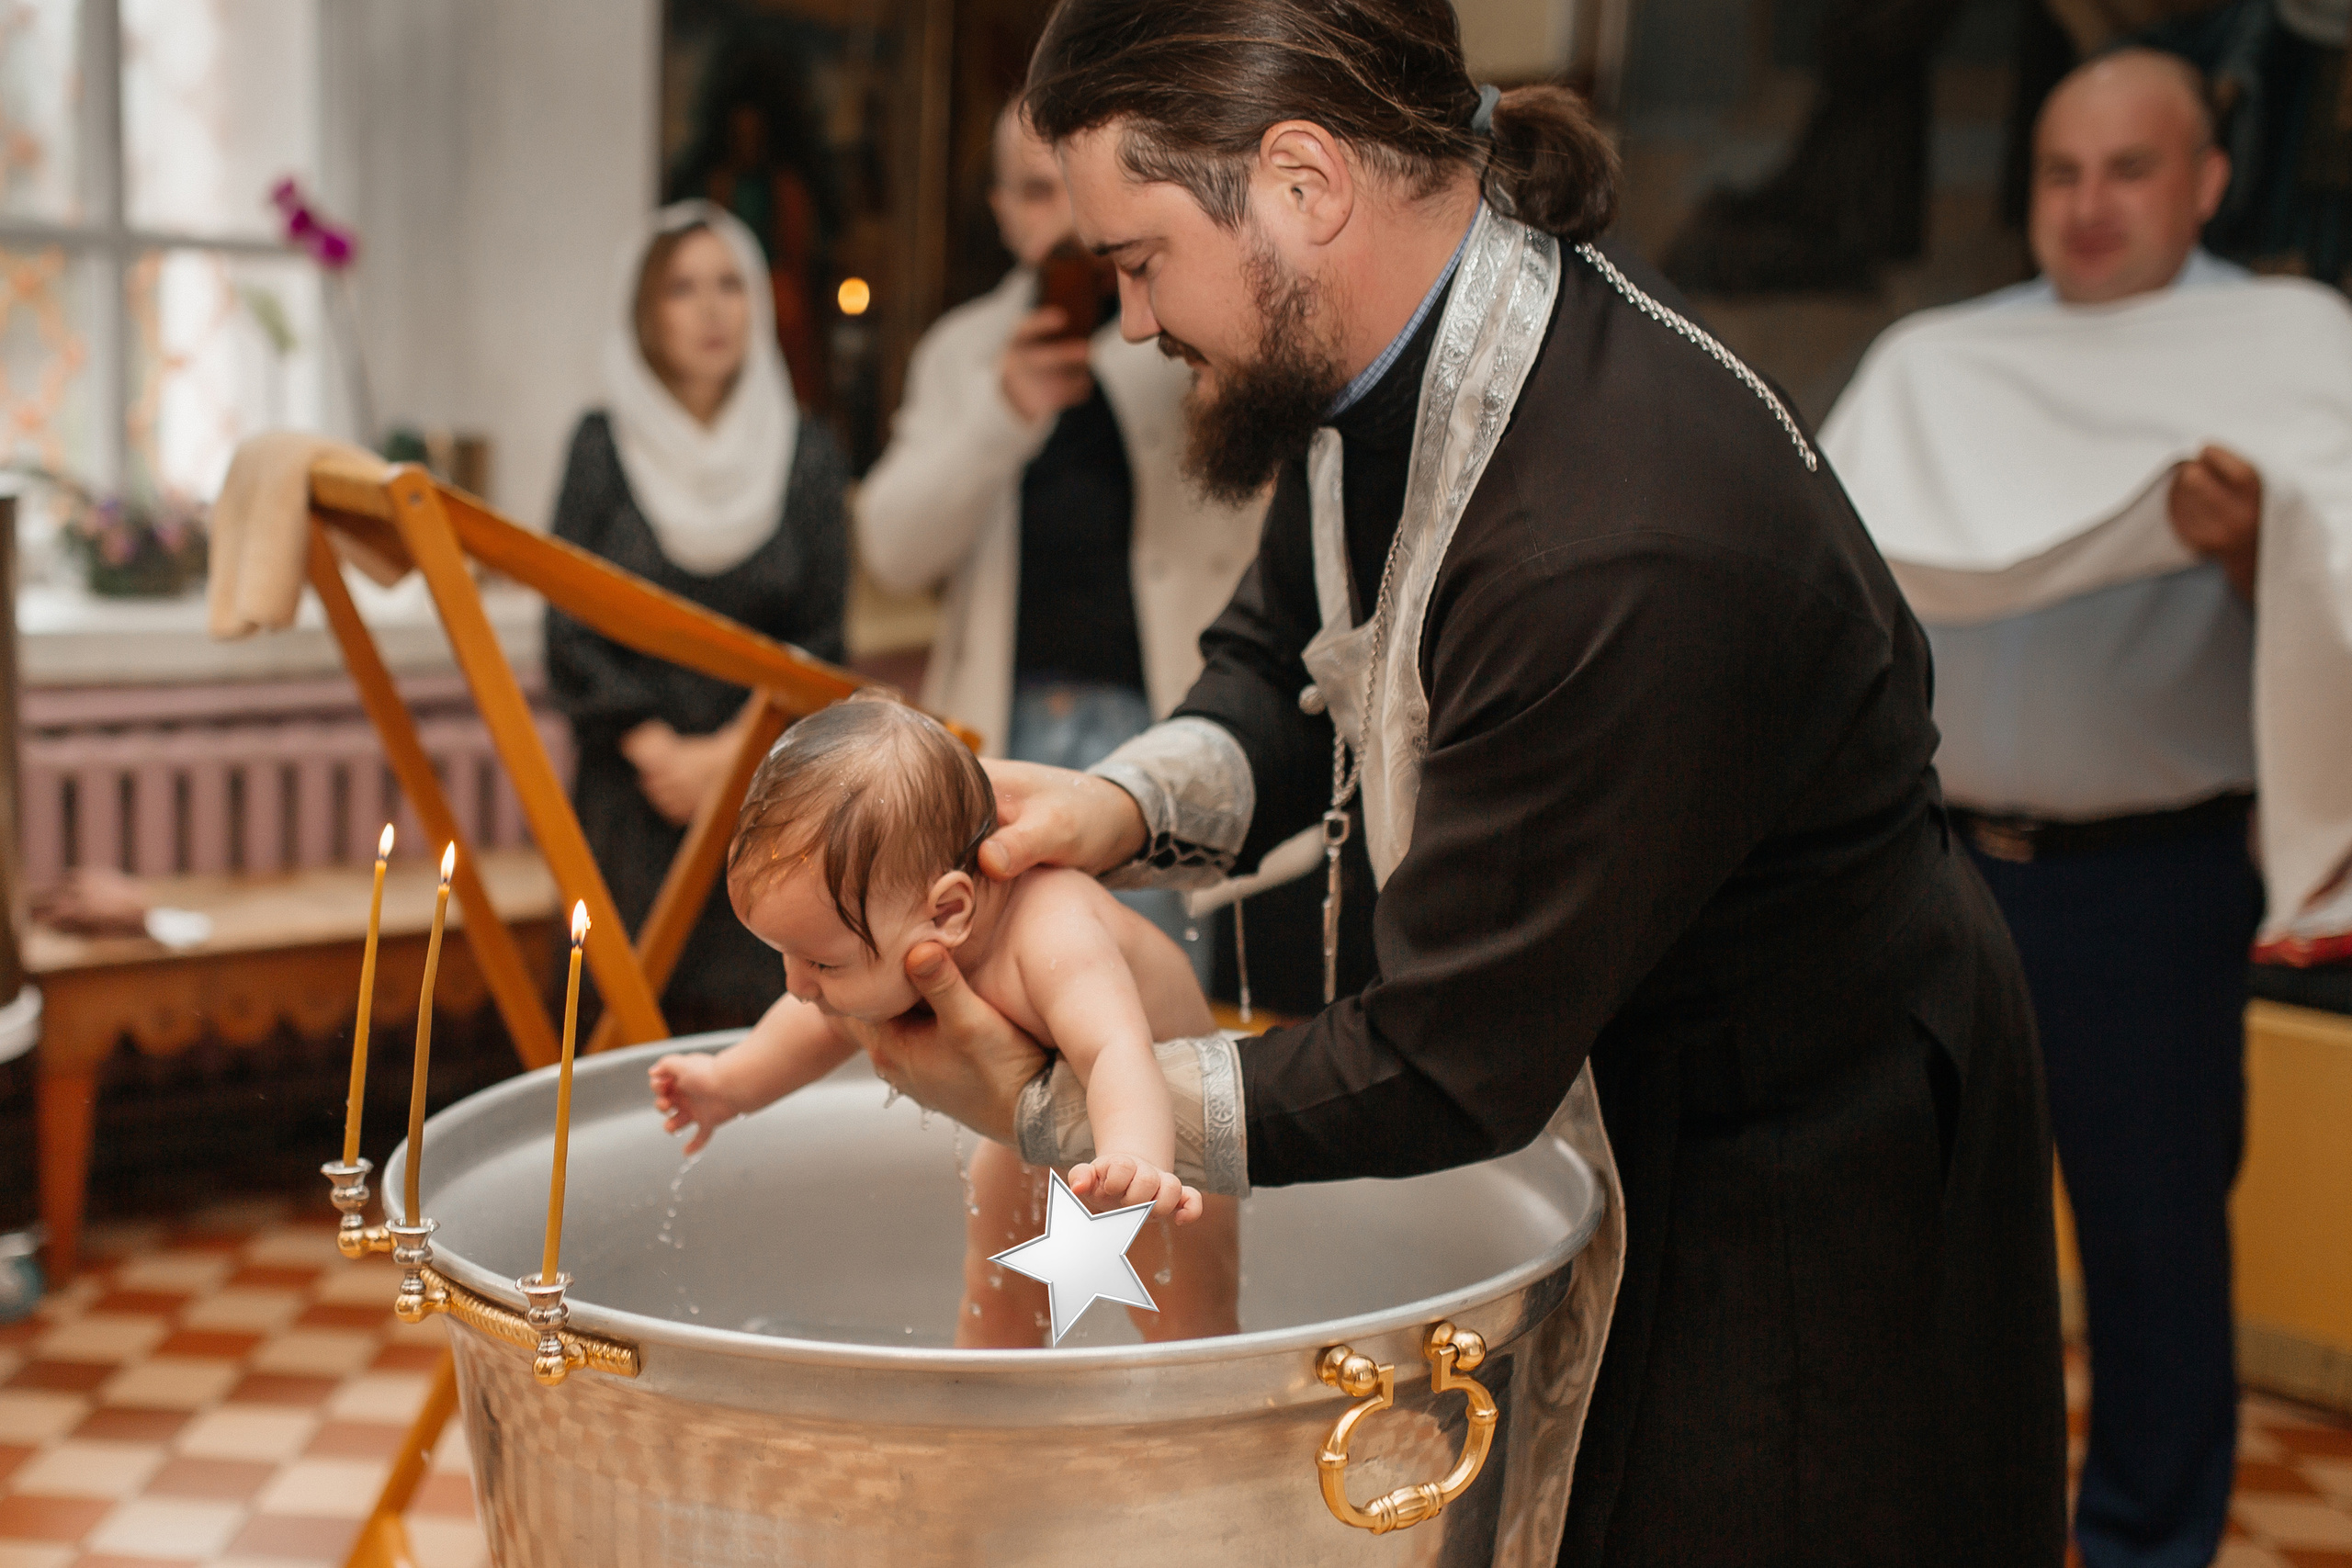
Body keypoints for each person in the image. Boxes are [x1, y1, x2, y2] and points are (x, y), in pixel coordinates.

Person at [818, 2, 2071, 1562]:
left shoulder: (1617, 544)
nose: (1133, 320)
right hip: (1625, 1065)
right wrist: (1115, 808)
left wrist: (1058, 1106)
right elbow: (1288, 660)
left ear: (1301, 181)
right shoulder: (1376, 355)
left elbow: (1439, 1061)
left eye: (1138, 259)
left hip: (1787, 1166)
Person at [1821, 50, 2352, 1568]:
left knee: (2153, 1251)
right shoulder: (1939, 361)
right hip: (1934, 875)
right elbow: (1830, 579)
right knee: (1907, 1241)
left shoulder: (2292, 345)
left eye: (2130, 169)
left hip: (2152, 885)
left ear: (2208, 183)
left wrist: (2263, 549)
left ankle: (2144, 1545)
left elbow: (2341, 613)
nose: (2091, 203)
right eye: (2061, 172)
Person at [645, 691, 1238, 1347]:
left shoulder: (1052, 935)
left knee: (1188, 1326)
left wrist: (1135, 1155)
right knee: (994, 1298)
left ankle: (1203, 1427)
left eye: (821, 962)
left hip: (1171, 1139)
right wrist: (727, 1085)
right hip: (1027, 1131)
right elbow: (817, 1020)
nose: (795, 981)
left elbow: (1114, 1052)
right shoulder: (894, 930)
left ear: (949, 911)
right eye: (785, 954)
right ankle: (987, 1412)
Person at [854, 101, 1266, 986]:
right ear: (1002, 208)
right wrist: (1002, 414)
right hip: (1006, 727)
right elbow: (890, 549)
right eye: (1041, 191)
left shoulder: (1189, 328)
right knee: (1007, 994)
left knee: (1149, 1001)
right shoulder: (962, 352)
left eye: (1086, 187)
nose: (1070, 218)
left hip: (1165, 721)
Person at [547, 201, 848, 1035]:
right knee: (613, 1036)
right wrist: (662, 752)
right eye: (683, 288)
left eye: (730, 284)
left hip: (769, 802)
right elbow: (569, 630)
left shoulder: (809, 450)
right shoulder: (600, 447)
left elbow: (823, 641)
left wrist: (727, 758)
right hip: (630, 797)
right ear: (644, 311)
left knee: (763, 1043)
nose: (712, 309)